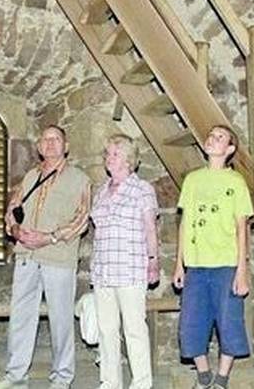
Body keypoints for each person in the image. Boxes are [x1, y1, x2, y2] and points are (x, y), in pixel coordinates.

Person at [0, 125, 91, 389]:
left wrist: (50, 237)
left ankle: (62, 378)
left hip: (58, 256)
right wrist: (15, 230)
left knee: (61, 318)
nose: (50, 143)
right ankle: (15, 375)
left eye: (56, 139)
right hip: (26, 255)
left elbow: (82, 219)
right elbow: (13, 209)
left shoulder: (80, 179)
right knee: (21, 315)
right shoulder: (31, 176)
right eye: (45, 139)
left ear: (66, 146)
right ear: (39, 147)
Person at [172, 125, 253, 389]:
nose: (212, 138)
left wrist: (242, 270)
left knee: (229, 322)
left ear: (229, 149)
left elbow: (242, 227)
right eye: (211, 135)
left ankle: (222, 379)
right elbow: (185, 223)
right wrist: (179, 264)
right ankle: (203, 374)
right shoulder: (192, 180)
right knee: (191, 323)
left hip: (226, 264)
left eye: (220, 137)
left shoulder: (236, 182)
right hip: (196, 265)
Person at [90, 134, 160, 389]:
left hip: (130, 269)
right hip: (103, 270)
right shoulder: (101, 191)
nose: (109, 158)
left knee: (134, 329)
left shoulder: (142, 189)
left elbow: (150, 228)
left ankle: (141, 383)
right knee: (107, 330)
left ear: (129, 160)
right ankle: (110, 382)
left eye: (115, 154)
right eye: (107, 153)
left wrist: (153, 261)